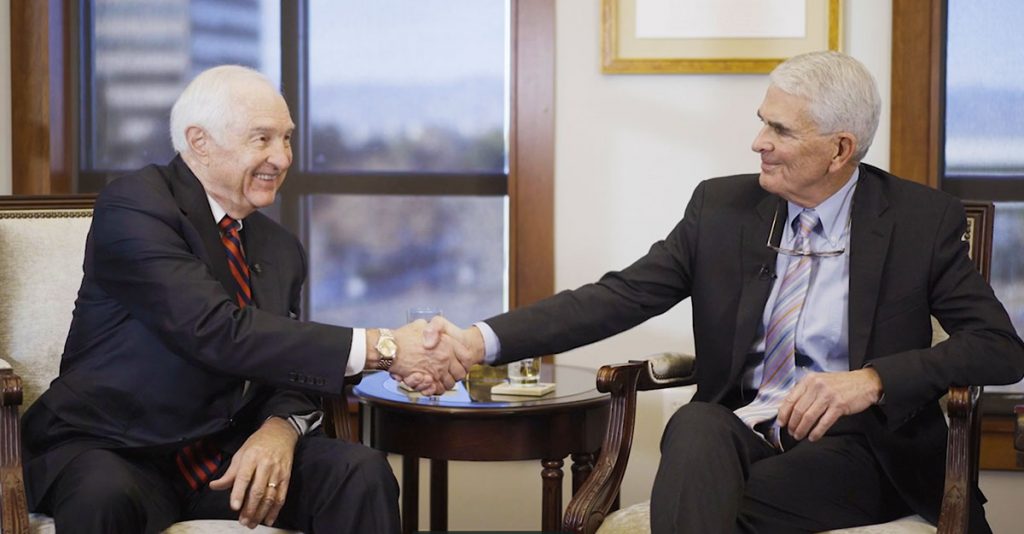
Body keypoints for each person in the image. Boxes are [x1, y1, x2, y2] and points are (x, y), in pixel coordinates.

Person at [428, 51, 1024, 533]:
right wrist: (480, 341)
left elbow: (999, 347)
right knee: (695, 429)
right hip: (741, 433)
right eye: (762, 119)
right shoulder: (722, 208)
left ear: (840, 149)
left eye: (779, 129)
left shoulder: (920, 222)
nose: (757, 141)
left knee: (697, 504)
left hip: (861, 450)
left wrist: (870, 381)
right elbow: (619, 296)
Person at [21, 65, 466, 534]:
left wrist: (281, 431)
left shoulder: (280, 248)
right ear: (199, 142)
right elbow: (217, 330)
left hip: (225, 460)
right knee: (103, 495)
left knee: (359, 472)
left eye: (287, 139)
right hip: (112, 445)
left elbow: (287, 359)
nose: (282, 157)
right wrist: (383, 347)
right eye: (262, 139)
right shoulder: (134, 206)